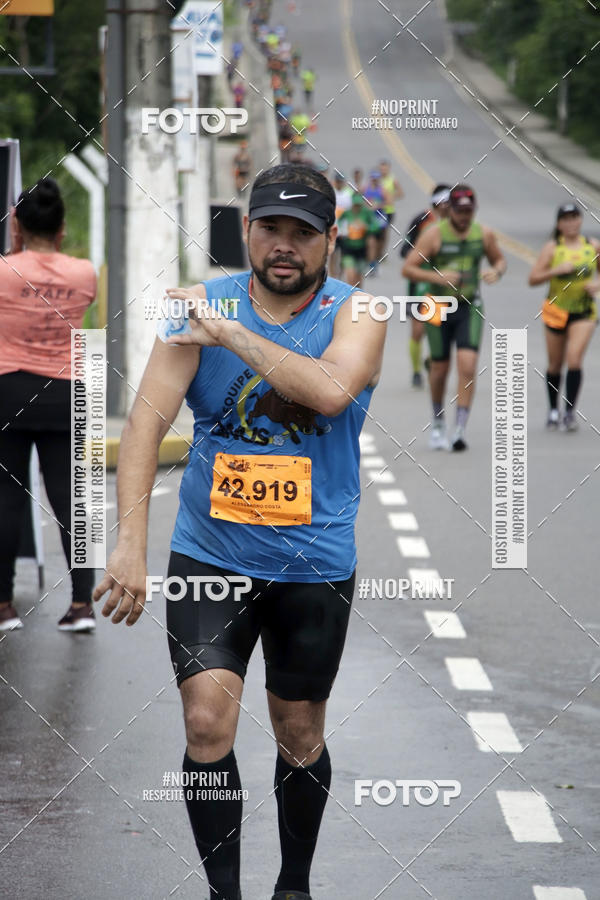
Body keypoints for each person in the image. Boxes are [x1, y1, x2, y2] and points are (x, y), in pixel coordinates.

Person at [93, 164, 386, 900]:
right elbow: (145, 427)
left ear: (329, 242)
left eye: (302, 233)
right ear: (247, 230)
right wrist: (128, 543)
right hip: (210, 555)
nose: (284, 245)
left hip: (313, 564)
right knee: (205, 723)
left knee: (300, 733)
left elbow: (327, 390)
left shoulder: (359, 314)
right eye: (270, 228)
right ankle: (223, 892)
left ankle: (294, 886)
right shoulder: (194, 309)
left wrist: (228, 331)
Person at [0, 177, 97, 632]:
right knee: (73, 500)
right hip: (65, 392)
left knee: (6, 500)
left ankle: (3, 606)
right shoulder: (84, 274)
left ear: (16, 225)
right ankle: (81, 606)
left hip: (9, 390)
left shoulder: (3, 271)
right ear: (62, 228)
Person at [402, 184, 506, 451]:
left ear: (474, 210)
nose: (463, 216)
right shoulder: (434, 234)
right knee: (439, 368)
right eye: (459, 211)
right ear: (450, 210)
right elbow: (409, 269)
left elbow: (499, 260)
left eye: (468, 211)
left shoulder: (483, 234)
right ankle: (438, 422)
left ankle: (459, 429)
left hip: (469, 306)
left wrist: (496, 271)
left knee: (468, 366)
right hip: (437, 305)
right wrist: (438, 277)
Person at [528, 202, 600, 430]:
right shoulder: (552, 248)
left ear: (580, 220)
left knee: (574, 359)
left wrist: (597, 284)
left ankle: (569, 412)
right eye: (566, 219)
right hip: (556, 311)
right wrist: (555, 271)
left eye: (575, 218)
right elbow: (533, 279)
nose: (571, 223)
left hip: (584, 311)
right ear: (559, 224)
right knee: (555, 364)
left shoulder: (592, 246)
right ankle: (553, 410)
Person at [400, 184, 451, 387]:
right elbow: (404, 250)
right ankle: (416, 372)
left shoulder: (455, 224)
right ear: (436, 203)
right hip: (418, 283)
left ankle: (432, 360)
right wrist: (421, 257)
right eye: (444, 202)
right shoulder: (421, 220)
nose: (447, 207)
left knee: (437, 328)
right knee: (418, 330)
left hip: (441, 285)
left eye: (449, 203)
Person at [337, 192, 379, 289]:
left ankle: (372, 264)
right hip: (348, 248)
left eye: (359, 205)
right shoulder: (346, 213)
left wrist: (366, 228)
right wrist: (344, 231)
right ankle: (350, 295)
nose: (357, 207)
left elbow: (376, 226)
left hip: (361, 249)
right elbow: (338, 224)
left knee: (359, 280)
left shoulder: (366, 213)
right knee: (350, 276)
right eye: (355, 205)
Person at [362, 170, 389, 275]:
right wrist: (367, 206)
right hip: (368, 219)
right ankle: (371, 263)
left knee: (379, 242)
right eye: (373, 178)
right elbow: (359, 200)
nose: (375, 180)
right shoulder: (365, 188)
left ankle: (375, 261)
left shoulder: (382, 190)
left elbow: (389, 202)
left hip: (379, 218)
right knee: (370, 241)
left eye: (377, 179)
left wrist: (378, 205)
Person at [378, 159, 404, 254]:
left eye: (385, 169)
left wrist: (390, 197)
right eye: (381, 169)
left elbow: (401, 193)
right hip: (377, 210)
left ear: (389, 169)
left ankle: (382, 253)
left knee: (384, 233)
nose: (383, 171)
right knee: (376, 233)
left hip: (388, 211)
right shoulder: (377, 179)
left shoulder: (393, 180)